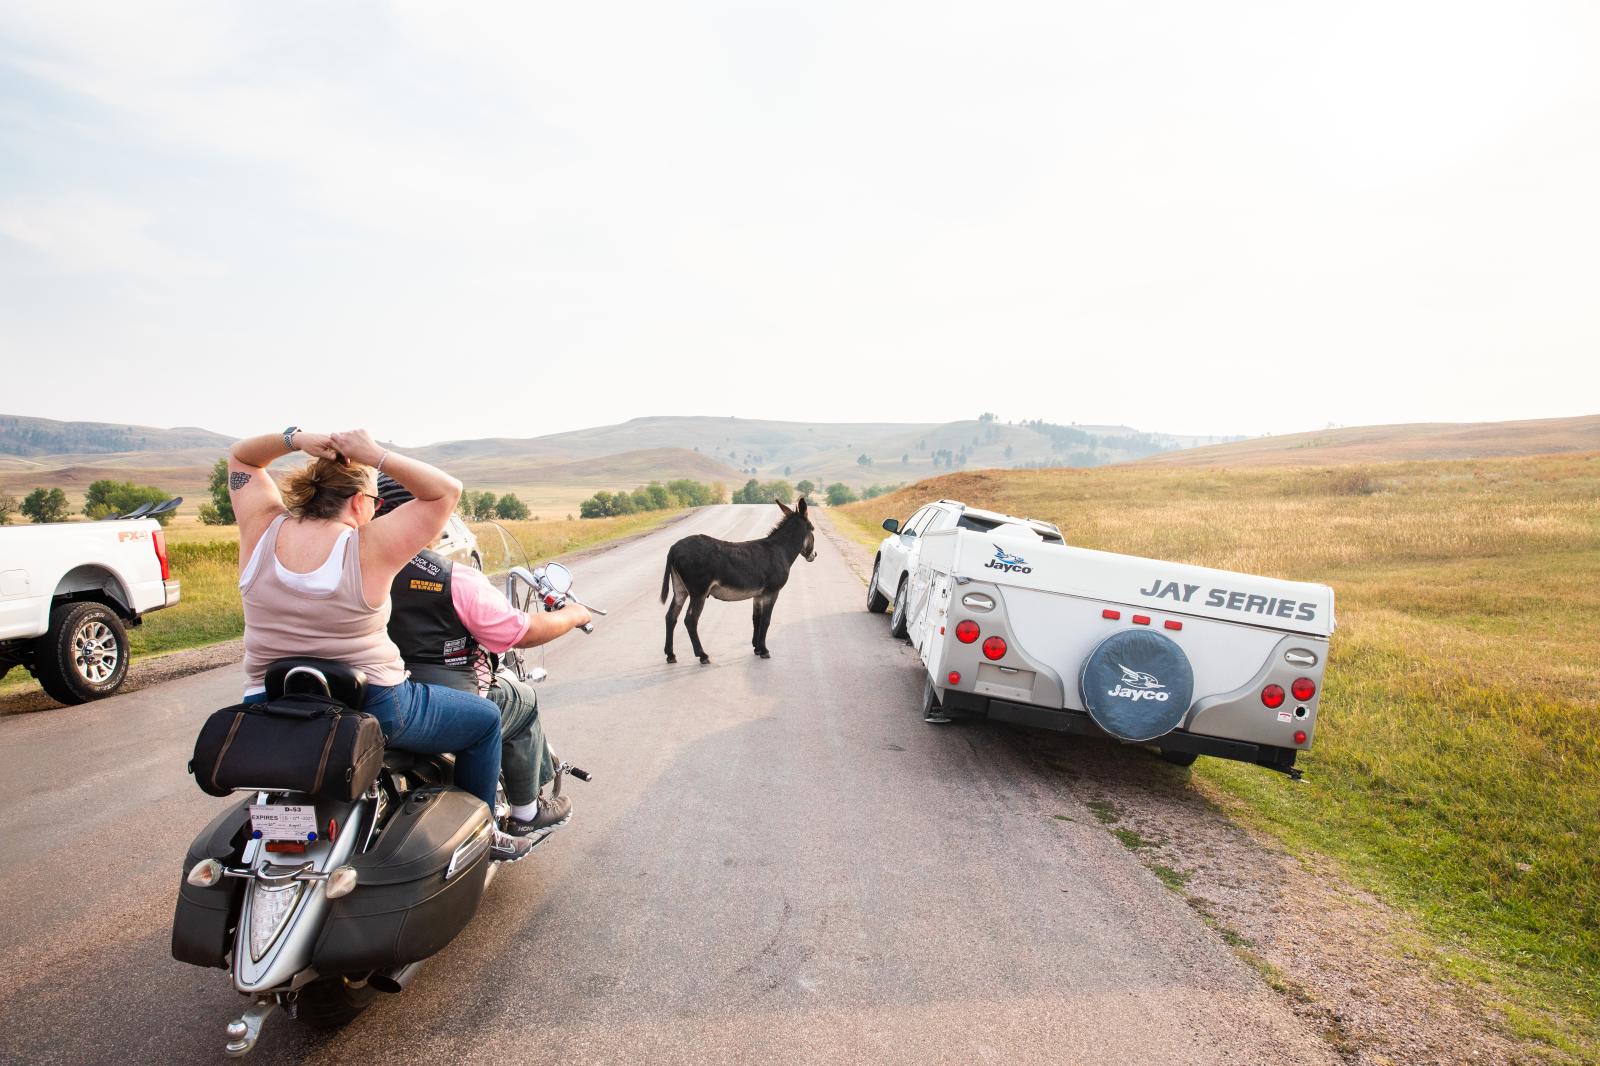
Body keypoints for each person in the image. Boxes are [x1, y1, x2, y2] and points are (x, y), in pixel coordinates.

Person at [228, 426, 536, 863]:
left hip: (269, 702)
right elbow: (446, 491)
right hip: (374, 703)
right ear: (359, 502)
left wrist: (296, 439)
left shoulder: (260, 529)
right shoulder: (367, 545)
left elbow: (241, 458)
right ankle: (482, 833)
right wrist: (376, 455)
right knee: (485, 719)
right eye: (374, 500)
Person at [375, 474, 590, 844]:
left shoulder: (351, 567)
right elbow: (519, 631)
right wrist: (574, 614)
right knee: (519, 698)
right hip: (432, 698)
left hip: (365, 692)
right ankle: (525, 811)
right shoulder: (453, 578)